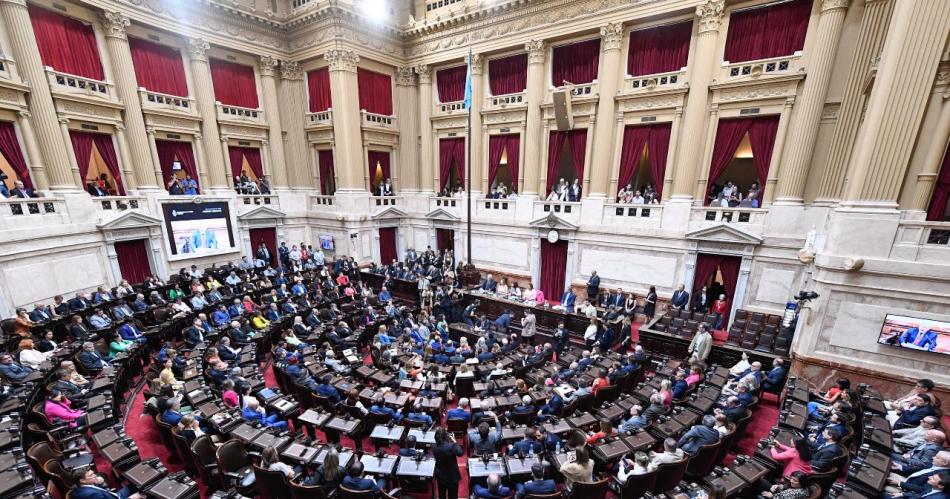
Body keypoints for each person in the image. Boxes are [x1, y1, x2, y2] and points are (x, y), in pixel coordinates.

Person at [70, 468, 143, 499]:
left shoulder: (77, 488)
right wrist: (131, 498)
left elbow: (102, 491)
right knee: (141, 489)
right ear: (82, 480)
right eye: (91, 475)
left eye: (93, 473)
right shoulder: (94, 494)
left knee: (134, 484)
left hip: (113, 495)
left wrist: (102, 483)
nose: (95, 475)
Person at [433, 428, 463, 499]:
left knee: (441, 495)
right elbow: (460, 453)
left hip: (440, 475)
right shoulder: (451, 446)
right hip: (452, 476)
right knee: (453, 496)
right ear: (445, 437)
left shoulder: (434, 446)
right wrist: (454, 441)